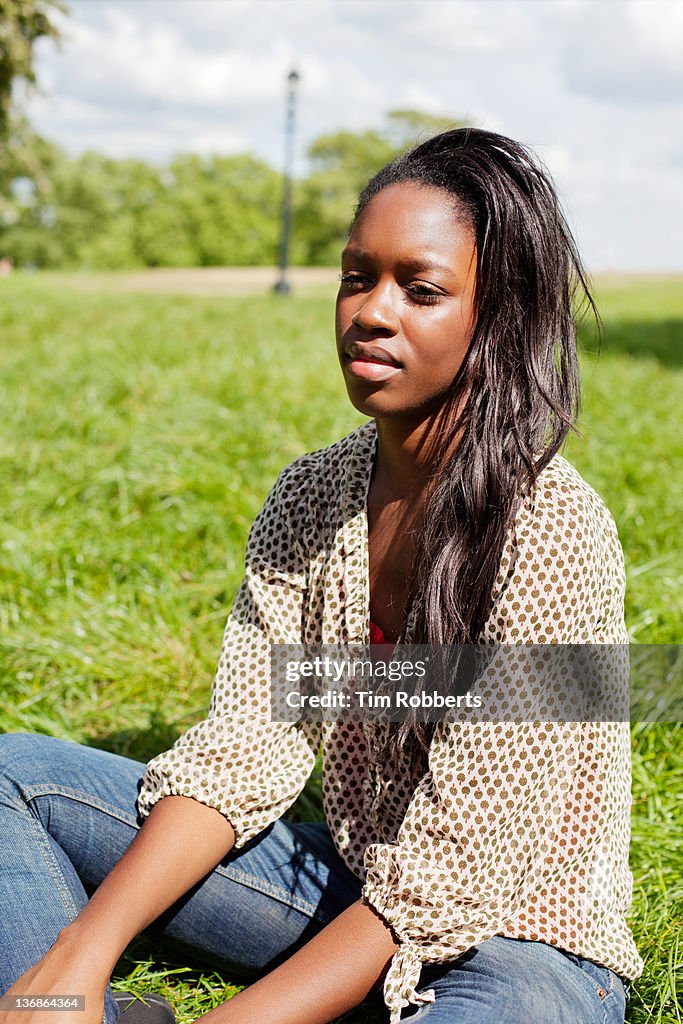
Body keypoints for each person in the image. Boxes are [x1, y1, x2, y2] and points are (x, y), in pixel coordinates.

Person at [0, 128, 642, 1024]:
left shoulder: (550, 529)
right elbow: (244, 746)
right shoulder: (310, 496)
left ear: (494, 318)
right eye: (356, 276)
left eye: (420, 290)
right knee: (14, 777)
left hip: (519, 942)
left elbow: (455, 869)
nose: (371, 312)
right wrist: (72, 966)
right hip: (349, 886)